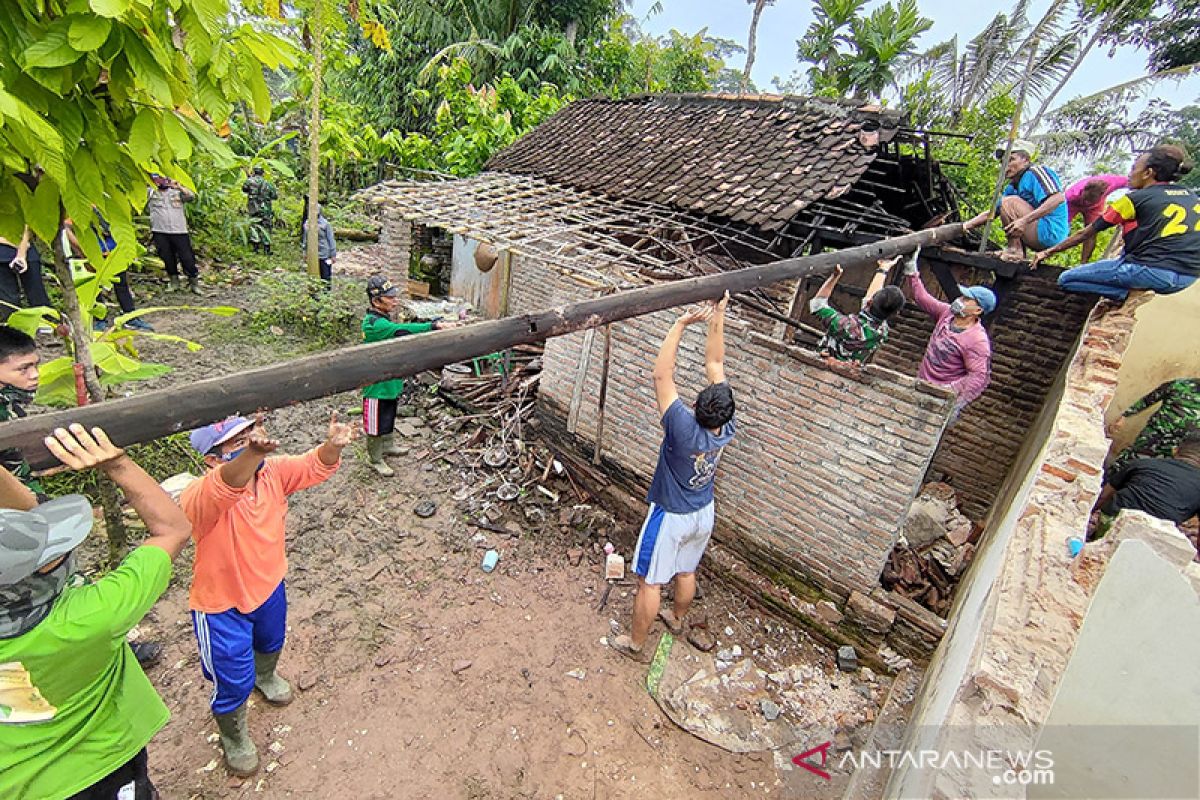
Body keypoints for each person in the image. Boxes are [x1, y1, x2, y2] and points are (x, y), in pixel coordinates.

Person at [0, 423, 194, 800]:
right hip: (102, 766)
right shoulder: (90, 617)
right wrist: (117, 463)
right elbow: (172, 529)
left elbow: (22, 526)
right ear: (43, 573)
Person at [182, 412, 353, 776]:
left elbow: (312, 466)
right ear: (212, 459)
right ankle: (234, 735)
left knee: (272, 642)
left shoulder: (272, 472)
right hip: (220, 606)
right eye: (236, 443)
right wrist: (251, 455)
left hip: (270, 584)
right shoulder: (200, 496)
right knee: (232, 679)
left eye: (250, 435)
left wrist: (332, 446)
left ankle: (266, 676)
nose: (249, 445)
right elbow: (227, 485)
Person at [610, 292, 736, 662]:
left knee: (649, 580)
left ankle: (634, 645)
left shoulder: (682, 425)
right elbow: (715, 361)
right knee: (686, 570)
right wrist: (719, 314)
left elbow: (661, 374)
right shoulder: (726, 426)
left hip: (672, 514)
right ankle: (677, 620)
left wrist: (681, 324)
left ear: (697, 407)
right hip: (703, 511)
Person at [1032, 145, 1200, 302]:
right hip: (1188, 278)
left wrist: (1047, 252)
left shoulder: (1134, 199)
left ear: (1148, 173)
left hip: (1151, 272)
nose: (1130, 173)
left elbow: (1086, 233)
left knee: (1067, 279)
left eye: (1134, 168)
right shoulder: (1192, 198)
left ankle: (1126, 295)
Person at [361, 275, 457, 476]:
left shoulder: (383, 318)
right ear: (376, 301)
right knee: (375, 422)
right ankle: (374, 458)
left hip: (389, 379)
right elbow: (402, 331)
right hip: (376, 383)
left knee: (388, 414)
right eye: (390, 298)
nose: (395, 301)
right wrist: (433, 326)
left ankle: (388, 445)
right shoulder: (374, 324)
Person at [902, 247, 993, 416]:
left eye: (966, 299)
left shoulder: (976, 340)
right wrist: (911, 270)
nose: (959, 300)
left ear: (978, 310)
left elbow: (979, 377)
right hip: (921, 384)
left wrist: (954, 399)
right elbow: (923, 298)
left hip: (940, 398)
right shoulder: (947, 314)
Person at [964, 140, 1069, 259]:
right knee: (1006, 203)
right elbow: (992, 212)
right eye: (1003, 162)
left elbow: (1058, 198)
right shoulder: (1013, 186)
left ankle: (1014, 250)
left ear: (1025, 160)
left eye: (1011, 160)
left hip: (1050, 231)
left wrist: (1024, 220)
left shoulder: (1036, 172)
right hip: (1035, 230)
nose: (1006, 165)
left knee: (1009, 202)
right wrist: (965, 226)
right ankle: (1018, 251)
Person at [62, 211, 154, 332]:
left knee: (121, 284)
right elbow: (66, 227)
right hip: (92, 252)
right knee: (94, 287)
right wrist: (81, 249)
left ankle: (130, 316)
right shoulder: (82, 207)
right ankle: (100, 320)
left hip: (113, 251)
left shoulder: (108, 204)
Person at [1093, 429, 1200, 527]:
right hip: (1155, 533)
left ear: (1175, 450)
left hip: (1113, 519)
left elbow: (1104, 495)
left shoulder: (1144, 463)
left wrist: (1088, 515)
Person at [808, 257, 906, 363]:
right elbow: (869, 300)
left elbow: (817, 305)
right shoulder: (882, 331)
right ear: (894, 313)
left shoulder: (847, 326)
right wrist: (883, 269)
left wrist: (835, 276)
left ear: (870, 303)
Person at [1106, 377, 1200, 478]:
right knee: (1124, 467)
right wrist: (1125, 416)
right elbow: (1148, 400)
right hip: (1151, 438)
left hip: (1177, 449)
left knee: (1157, 477)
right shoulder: (1179, 385)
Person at [146, 173, 199, 294]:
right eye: (158, 179)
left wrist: (178, 186)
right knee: (167, 257)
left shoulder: (176, 192)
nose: (161, 182)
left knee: (187, 257)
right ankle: (174, 281)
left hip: (179, 230)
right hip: (160, 230)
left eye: (163, 179)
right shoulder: (150, 192)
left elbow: (191, 197)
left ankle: (193, 282)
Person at [1064, 174, 1130, 263]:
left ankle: (1083, 263)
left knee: (1091, 232)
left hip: (1095, 207)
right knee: (1061, 227)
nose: (1087, 203)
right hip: (1074, 204)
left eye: (1090, 200)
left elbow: (1132, 182)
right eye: (1086, 199)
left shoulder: (1113, 182)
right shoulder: (1071, 195)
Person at [0, 226, 53, 323]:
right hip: (3, 257)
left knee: (38, 297)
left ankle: (49, 324)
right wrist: (12, 243)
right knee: (9, 305)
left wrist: (21, 253)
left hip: (26, 253)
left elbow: (26, 226)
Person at [242, 166, 278, 255]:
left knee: (254, 226)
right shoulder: (268, 184)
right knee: (266, 227)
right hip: (265, 208)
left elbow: (244, 189)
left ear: (254, 172)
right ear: (263, 173)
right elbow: (274, 196)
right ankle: (267, 249)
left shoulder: (249, 181)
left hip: (253, 207)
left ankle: (255, 248)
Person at [300, 202, 337, 284]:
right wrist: (305, 252)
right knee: (313, 276)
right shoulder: (307, 224)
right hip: (312, 255)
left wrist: (333, 254)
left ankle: (326, 294)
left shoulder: (325, 224)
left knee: (326, 276)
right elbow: (305, 239)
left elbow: (331, 239)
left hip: (324, 254)